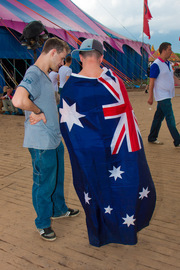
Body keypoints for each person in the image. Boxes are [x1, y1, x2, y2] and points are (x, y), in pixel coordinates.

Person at [59, 39, 156, 247]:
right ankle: (125, 231)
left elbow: (67, 126)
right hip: (121, 147)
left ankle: (101, 234)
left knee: (95, 188)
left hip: (89, 154)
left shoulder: (70, 88)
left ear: (82, 58)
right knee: (123, 186)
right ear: (102, 57)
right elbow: (127, 117)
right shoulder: (114, 81)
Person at [12, 37, 79, 242]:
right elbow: (17, 99)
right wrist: (37, 111)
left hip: (53, 138)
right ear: (52, 52)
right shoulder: (33, 72)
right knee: (44, 183)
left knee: (57, 179)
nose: (62, 62)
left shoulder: (44, 74)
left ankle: (58, 209)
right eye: (61, 57)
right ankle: (42, 223)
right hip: (41, 141)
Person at [147, 42, 180, 147]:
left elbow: (173, 77)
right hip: (162, 95)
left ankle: (152, 137)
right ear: (164, 50)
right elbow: (151, 82)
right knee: (170, 118)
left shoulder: (168, 63)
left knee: (158, 117)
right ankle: (177, 140)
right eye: (170, 49)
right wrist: (151, 97)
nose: (171, 51)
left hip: (168, 94)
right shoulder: (156, 64)